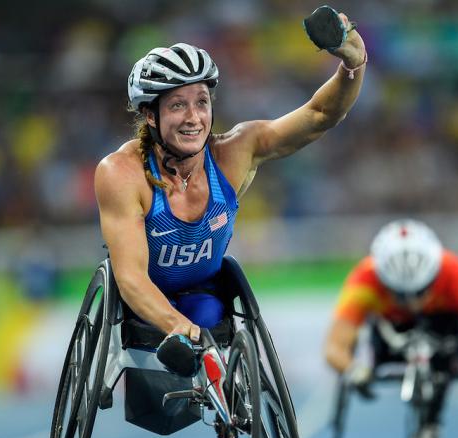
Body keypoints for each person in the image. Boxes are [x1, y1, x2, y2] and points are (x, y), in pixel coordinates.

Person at [94, 7, 366, 386]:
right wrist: (181, 329)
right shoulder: (121, 173)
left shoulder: (234, 153)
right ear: (150, 115)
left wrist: (353, 63)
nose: (194, 117)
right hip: (142, 306)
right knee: (190, 330)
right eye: (177, 105)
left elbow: (320, 115)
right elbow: (131, 277)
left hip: (203, 297)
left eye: (201, 102)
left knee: (208, 314)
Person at [324, 219, 458, 438]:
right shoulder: (364, 279)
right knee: (373, 333)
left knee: (450, 333)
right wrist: (354, 370)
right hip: (390, 337)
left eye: (421, 291)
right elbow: (334, 346)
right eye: (400, 294)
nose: (412, 304)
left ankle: (431, 424)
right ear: (383, 278)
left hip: (444, 334)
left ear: (434, 273)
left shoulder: (457, 273)